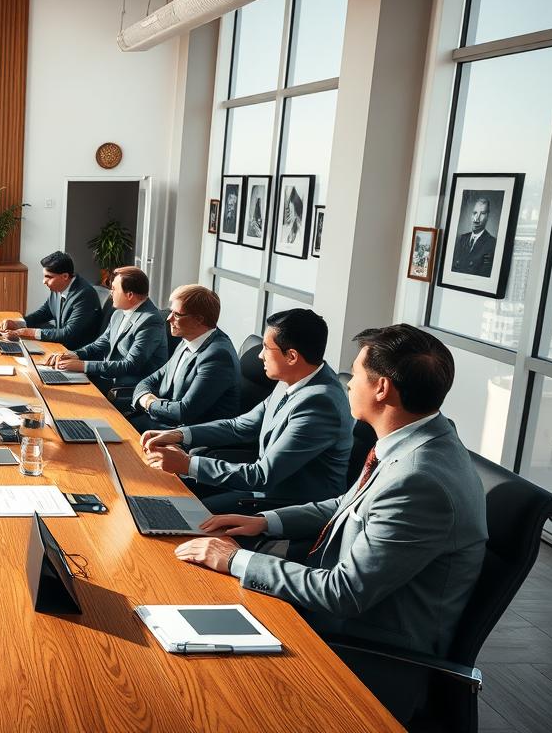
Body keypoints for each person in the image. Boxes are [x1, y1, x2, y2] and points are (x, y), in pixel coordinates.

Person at [175, 324, 486, 722]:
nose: (348, 382)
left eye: (355, 374)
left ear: (382, 388)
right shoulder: (417, 441)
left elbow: (344, 593)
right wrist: (263, 522)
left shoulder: (419, 480)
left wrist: (236, 560)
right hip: (330, 614)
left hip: (357, 652)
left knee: (201, 696)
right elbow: (346, 503)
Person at [139, 309, 352, 514]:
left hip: (287, 504)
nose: (260, 356)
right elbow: (239, 426)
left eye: (267, 348)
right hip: (260, 485)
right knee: (159, 493)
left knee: (182, 513)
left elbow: (263, 476)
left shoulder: (320, 403)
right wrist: (180, 435)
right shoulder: (292, 379)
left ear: (292, 356)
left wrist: (187, 463)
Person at [43, 265, 167, 400]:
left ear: (130, 295)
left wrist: (83, 365)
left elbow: (130, 365)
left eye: (114, 289)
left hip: (128, 388)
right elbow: (100, 343)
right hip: (108, 378)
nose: (110, 293)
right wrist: (73, 355)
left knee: (66, 397)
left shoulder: (150, 321)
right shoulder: (118, 313)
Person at [128, 284, 240, 431]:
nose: (168, 318)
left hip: (188, 435)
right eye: (170, 311)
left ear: (198, 319)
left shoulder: (218, 357)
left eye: (177, 314)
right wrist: (144, 396)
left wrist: (148, 403)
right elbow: (152, 379)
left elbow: (185, 412)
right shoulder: (188, 340)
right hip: (163, 422)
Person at [0, 251, 100, 351]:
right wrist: (17, 324)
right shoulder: (58, 288)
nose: (44, 281)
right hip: (59, 347)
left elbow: (68, 334)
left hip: (75, 355)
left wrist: (28, 332)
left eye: (48, 277)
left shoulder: (84, 295)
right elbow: (44, 313)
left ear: (65, 276)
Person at [451, 196, 496, 275]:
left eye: (482, 214)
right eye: (475, 213)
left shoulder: (492, 243)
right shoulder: (462, 238)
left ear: (487, 217)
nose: (476, 219)